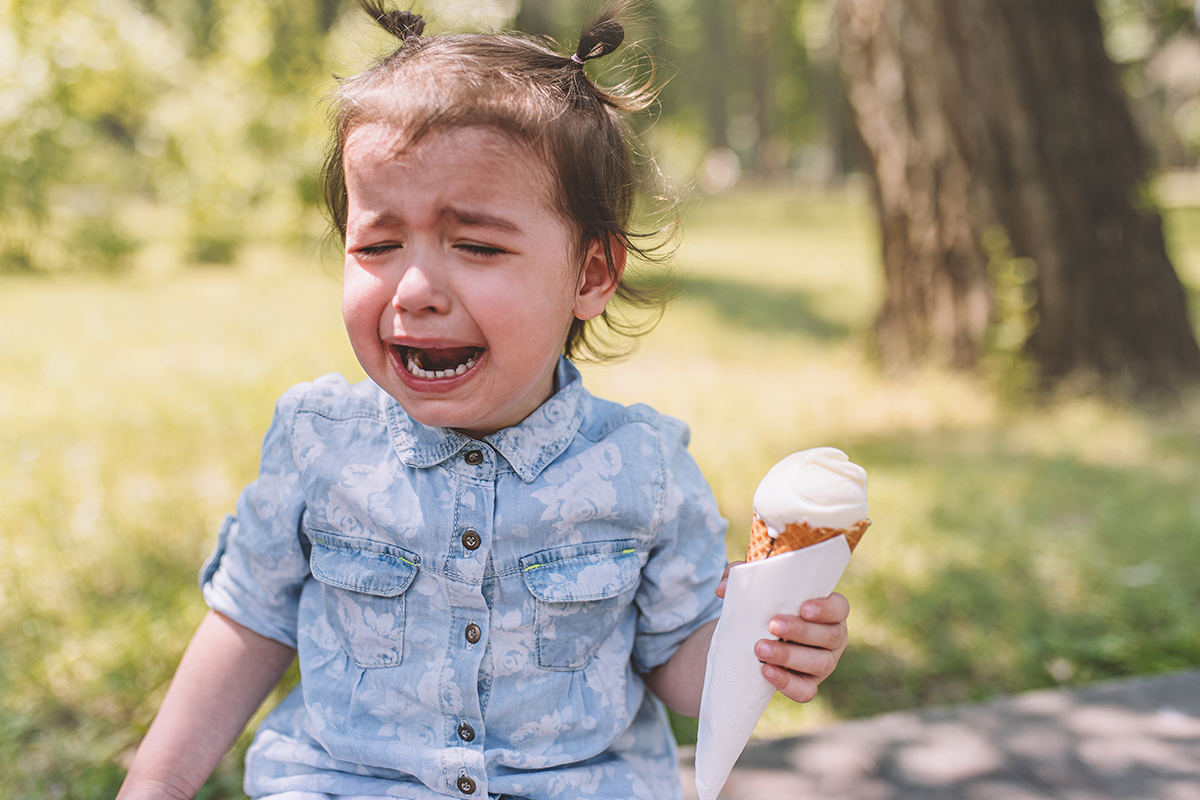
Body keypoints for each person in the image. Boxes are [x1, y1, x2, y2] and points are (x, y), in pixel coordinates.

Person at [116, 3, 851, 798]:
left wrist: (765, 644)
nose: (417, 290)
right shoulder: (318, 444)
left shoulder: (640, 470)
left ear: (590, 275)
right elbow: (247, 625)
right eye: (378, 245)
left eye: (476, 246)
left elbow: (679, 666)